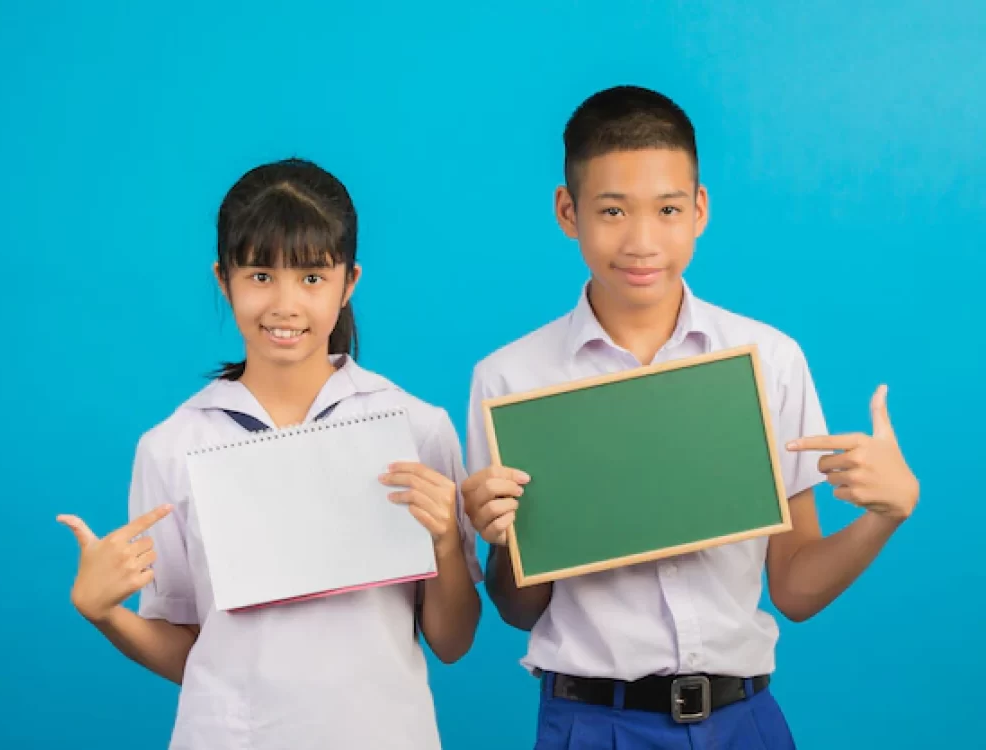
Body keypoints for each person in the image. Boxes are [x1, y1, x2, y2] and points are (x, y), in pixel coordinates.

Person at [460, 86, 919, 749]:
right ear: (568, 211)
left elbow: (792, 586)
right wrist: (503, 541)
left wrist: (887, 514)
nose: (642, 241)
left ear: (699, 209)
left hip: (744, 721)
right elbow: (517, 606)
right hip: (591, 722)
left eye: (668, 209)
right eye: (612, 210)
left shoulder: (768, 360)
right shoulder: (510, 380)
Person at [57, 158, 482, 749]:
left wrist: (444, 546)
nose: (285, 304)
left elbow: (453, 641)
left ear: (349, 281)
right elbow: (192, 651)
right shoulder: (175, 446)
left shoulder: (414, 427)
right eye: (260, 275)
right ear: (223, 278)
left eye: (312, 278)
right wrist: (105, 612)